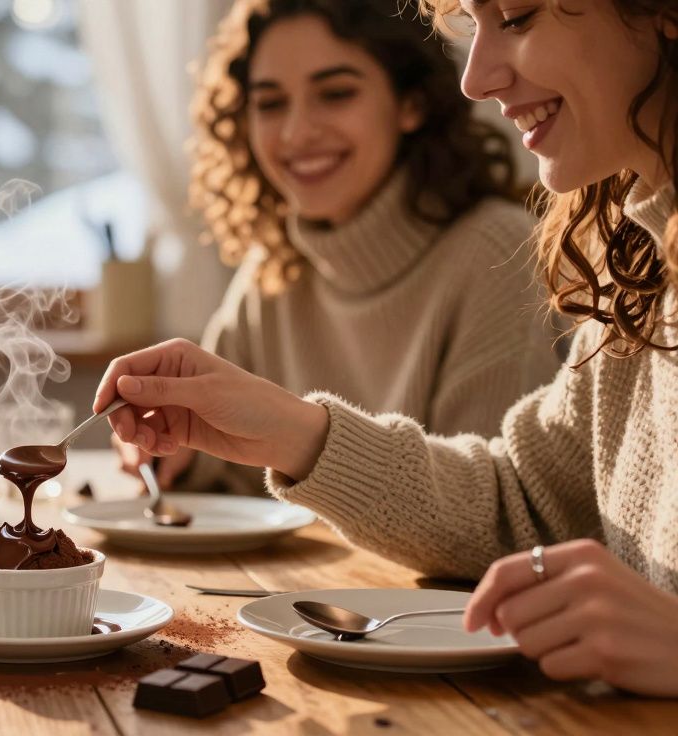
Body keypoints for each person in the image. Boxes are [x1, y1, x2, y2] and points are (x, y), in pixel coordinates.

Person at [96, 0, 678, 696]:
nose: (476, 79)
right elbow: (522, 504)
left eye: (518, 17)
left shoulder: (498, 253)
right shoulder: (637, 269)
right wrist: (294, 433)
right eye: (475, 25)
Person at [118, 0, 563, 493]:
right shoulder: (276, 268)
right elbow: (224, 470)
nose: (296, 133)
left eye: (335, 94)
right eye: (270, 104)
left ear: (412, 104)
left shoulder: (500, 252)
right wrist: (170, 448)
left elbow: (488, 508)